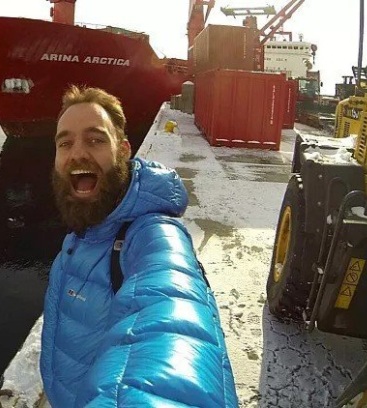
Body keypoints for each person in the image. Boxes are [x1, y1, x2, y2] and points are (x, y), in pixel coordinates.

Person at [40, 85, 238, 407]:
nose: (77, 153)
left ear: (124, 150)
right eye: (65, 143)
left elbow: (172, 320)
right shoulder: (86, 230)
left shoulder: (152, 235)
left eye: (95, 139)